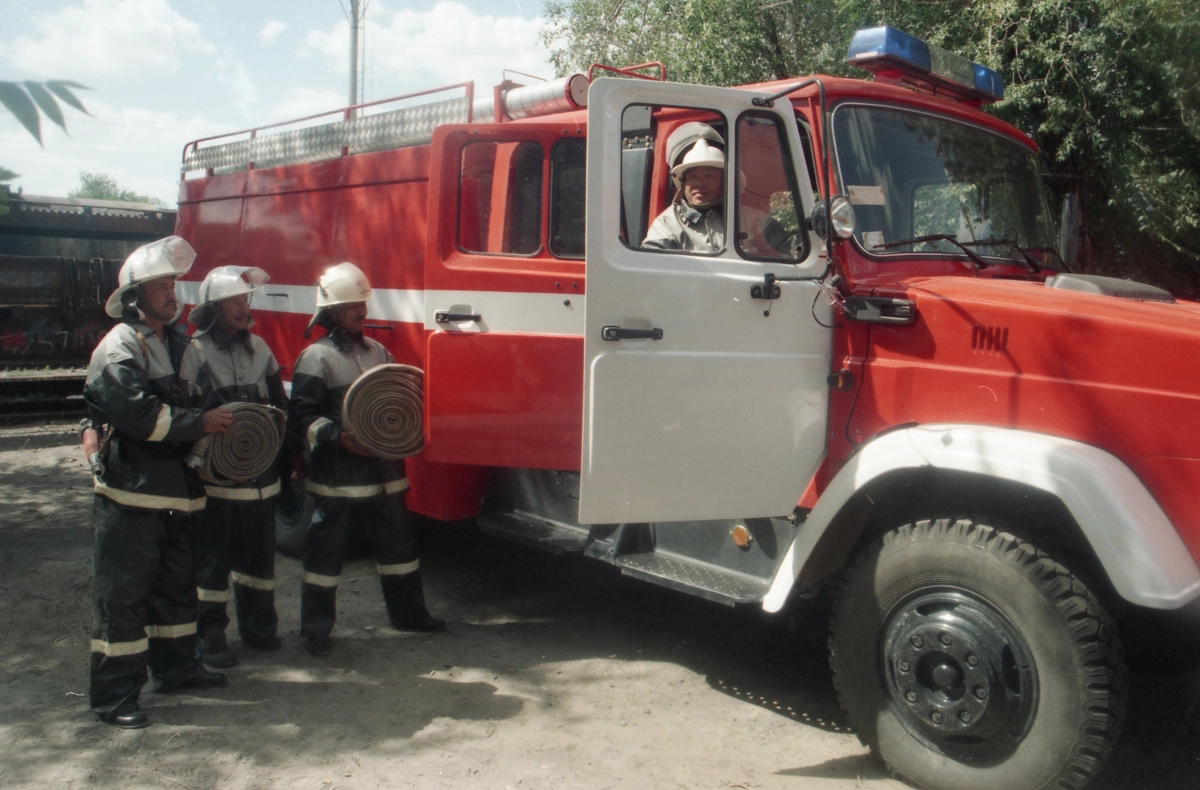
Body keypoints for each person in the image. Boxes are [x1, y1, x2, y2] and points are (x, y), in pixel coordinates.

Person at [83, 236, 234, 729]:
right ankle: (115, 697)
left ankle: (178, 669)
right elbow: (139, 416)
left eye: (173, 284)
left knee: (175, 591)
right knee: (124, 597)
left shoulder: (180, 346)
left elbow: (205, 403)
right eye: (162, 286)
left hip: (177, 494)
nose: (173, 293)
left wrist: (216, 420)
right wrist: (200, 424)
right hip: (132, 494)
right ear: (135, 297)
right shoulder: (119, 346)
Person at [288, 261, 446, 658]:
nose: (362, 311)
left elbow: (396, 400)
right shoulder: (315, 358)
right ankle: (316, 631)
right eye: (352, 305)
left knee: (400, 549)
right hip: (338, 476)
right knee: (325, 552)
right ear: (331, 311)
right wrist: (338, 438)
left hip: (385, 473)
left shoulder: (378, 350)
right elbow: (302, 418)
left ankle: (411, 615)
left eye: (363, 303)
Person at [179, 266, 288, 668]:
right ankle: (210, 636)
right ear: (213, 309)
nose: (245, 308)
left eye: (247, 299)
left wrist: (290, 461)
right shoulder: (194, 352)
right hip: (216, 483)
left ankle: (260, 629)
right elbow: (186, 414)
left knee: (259, 560)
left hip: (261, 480)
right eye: (236, 301)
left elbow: (280, 409)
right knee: (213, 561)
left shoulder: (261, 348)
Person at [643, 122, 727, 252]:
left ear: (724, 184)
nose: (699, 183)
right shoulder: (666, 225)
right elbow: (651, 266)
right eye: (692, 177)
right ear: (683, 184)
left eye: (709, 176)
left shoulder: (749, 220)